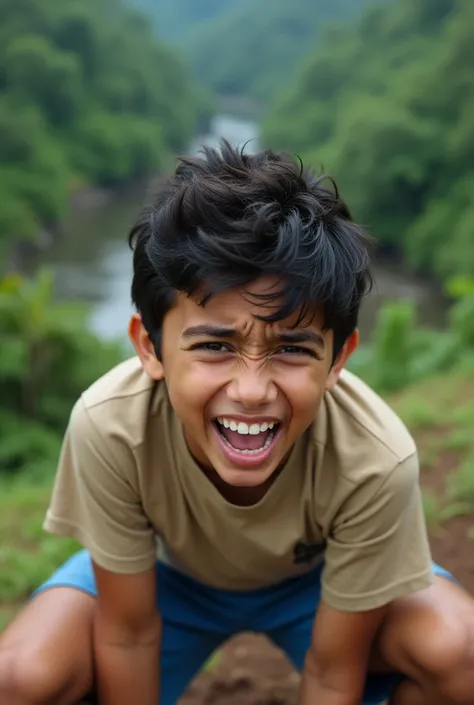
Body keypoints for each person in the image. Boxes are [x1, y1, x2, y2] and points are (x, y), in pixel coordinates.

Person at [0, 141, 473, 705]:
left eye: (293, 349)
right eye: (215, 345)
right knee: (21, 677)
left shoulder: (375, 456)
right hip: (166, 574)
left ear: (338, 359)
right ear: (150, 347)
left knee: (460, 655)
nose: (252, 391)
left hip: (318, 583)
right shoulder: (110, 426)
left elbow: (331, 669)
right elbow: (127, 632)